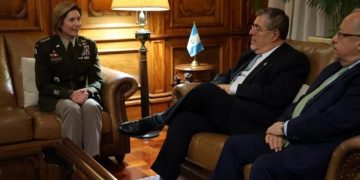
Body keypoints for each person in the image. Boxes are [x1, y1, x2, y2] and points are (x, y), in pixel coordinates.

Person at [121, 8, 310, 179]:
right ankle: (166, 176)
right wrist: (219, 86)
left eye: (257, 28)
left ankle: (157, 121)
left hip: (253, 119)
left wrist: (231, 89)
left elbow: (276, 95)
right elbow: (227, 75)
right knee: (184, 119)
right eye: (252, 26)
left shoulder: (293, 60)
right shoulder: (251, 54)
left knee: (205, 90)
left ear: (274, 34)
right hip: (228, 112)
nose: (251, 32)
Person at [212, 9, 360, 180]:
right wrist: (279, 124)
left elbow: (334, 120)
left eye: (341, 34)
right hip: (292, 133)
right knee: (234, 146)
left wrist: (286, 129)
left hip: (316, 144)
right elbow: (301, 103)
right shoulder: (334, 68)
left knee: (264, 166)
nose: (334, 39)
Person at [35, 1, 103, 157]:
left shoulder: (89, 45)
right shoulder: (44, 46)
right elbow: (43, 85)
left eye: (78, 19)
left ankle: (92, 162)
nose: (77, 24)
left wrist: (88, 91)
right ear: (60, 23)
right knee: (71, 108)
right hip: (56, 97)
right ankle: (73, 163)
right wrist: (70, 94)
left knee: (92, 106)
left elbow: (97, 80)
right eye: (72, 20)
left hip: (82, 94)